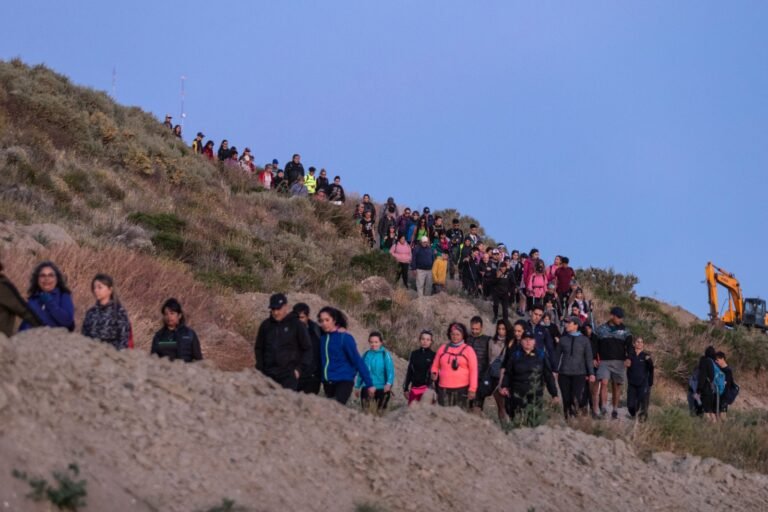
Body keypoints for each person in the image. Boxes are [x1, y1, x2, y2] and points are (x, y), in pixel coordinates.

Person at [254, 293, 312, 391]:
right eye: (273, 309)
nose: (276, 312)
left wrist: (299, 369)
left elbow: (307, 349)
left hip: (288, 375)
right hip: (268, 375)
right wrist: (260, 368)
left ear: (285, 307)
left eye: (278, 309)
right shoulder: (266, 326)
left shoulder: (296, 325)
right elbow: (259, 348)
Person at [317, 306, 374, 404]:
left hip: (344, 380)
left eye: (327, 320)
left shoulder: (345, 338)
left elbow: (358, 361)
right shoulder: (322, 338)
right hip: (328, 382)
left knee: (337, 406)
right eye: (321, 321)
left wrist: (369, 384)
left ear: (334, 320)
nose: (324, 323)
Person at [499, 330, 558, 422]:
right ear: (521, 341)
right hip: (517, 394)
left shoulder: (541, 355)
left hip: (535, 394)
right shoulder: (515, 355)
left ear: (534, 342)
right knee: (517, 420)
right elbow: (508, 373)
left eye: (530, 339)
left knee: (533, 420)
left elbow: (548, 376)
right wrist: (504, 386)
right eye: (525, 339)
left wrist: (554, 394)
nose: (528, 342)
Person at [593, 306, 633, 419]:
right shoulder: (600, 329)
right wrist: (594, 358)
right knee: (604, 382)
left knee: (616, 386)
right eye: (618, 317)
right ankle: (604, 407)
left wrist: (628, 358)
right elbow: (595, 345)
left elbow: (629, 346)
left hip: (619, 361)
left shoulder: (625, 331)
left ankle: (615, 409)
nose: (620, 320)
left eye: (621, 318)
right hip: (604, 361)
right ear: (612, 316)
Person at [553, 316, 595, 420]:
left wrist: (591, 373)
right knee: (566, 399)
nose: (566, 325)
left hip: (579, 374)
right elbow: (557, 356)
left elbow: (589, 358)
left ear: (576, 325)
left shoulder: (585, 340)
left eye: (568, 323)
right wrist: (554, 370)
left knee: (575, 398)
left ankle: (575, 419)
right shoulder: (563, 340)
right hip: (564, 374)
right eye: (566, 323)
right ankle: (568, 420)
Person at [431, 322, 478, 409]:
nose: (455, 336)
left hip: (462, 389)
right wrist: (434, 373)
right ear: (449, 334)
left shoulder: (469, 350)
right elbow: (435, 365)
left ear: (463, 335)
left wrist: (472, 389)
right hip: (443, 389)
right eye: (453, 334)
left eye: (458, 334)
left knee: (460, 417)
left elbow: (473, 371)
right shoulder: (442, 348)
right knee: (444, 415)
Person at [20, 261, 75, 332]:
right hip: (33, 340)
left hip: (55, 340)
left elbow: (67, 322)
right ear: (37, 279)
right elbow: (25, 325)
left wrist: (49, 302)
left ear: (57, 279)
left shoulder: (64, 296)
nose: (46, 279)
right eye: (42, 276)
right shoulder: (33, 299)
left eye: (51, 275)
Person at [81, 274, 131, 350]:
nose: (96, 290)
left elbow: (123, 339)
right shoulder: (91, 313)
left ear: (110, 290)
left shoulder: (119, 312)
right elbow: (84, 335)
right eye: (94, 288)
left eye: (99, 287)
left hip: (111, 356)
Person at [150, 298, 203, 362]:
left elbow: (198, 358)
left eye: (172, 313)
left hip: (187, 370)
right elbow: (153, 358)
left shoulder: (189, 334)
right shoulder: (159, 336)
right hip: (166, 370)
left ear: (179, 315)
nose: (169, 317)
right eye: (166, 314)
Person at [355, 331, 395, 412]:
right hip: (367, 387)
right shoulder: (366, 355)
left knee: (380, 413)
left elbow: (390, 371)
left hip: (382, 388)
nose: (373, 344)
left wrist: (388, 384)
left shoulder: (385, 355)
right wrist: (357, 386)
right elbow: (361, 372)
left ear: (381, 342)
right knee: (366, 413)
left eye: (376, 342)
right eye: (371, 342)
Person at [0, 260, 42, 337]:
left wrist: (42, 327)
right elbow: (23, 310)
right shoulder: (3, 286)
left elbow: (23, 310)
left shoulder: (3, 287)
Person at [293, 303, 323, 394]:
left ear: (308, 316)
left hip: (313, 378)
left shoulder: (316, 330)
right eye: (297, 317)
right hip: (295, 376)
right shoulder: (288, 331)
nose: (299, 320)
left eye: (302, 317)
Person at [466, 316, 492, 412]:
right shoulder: (466, 339)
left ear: (482, 327)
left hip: (481, 376)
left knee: (477, 404)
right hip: (467, 376)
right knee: (467, 403)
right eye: (472, 329)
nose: (474, 331)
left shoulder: (488, 340)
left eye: (477, 329)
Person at [488, 319, 511, 421]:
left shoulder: (511, 342)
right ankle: (502, 425)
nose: (501, 331)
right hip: (494, 375)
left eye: (503, 329)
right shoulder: (492, 342)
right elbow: (489, 357)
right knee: (500, 405)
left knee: (507, 405)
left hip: (506, 377)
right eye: (499, 329)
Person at [403, 330, 436, 404]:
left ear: (431, 342)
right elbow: (410, 371)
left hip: (428, 389)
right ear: (420, 340)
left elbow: (435, 374)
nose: (425, 341)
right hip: (414, 388)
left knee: (426, 413)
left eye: (428, 340)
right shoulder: (414, 354)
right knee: (412, 412)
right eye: (423, 339)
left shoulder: (434, 355)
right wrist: (406, 389)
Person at [626, 337, 654, 421]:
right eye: (638, 342)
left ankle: (642, 419)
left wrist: (650, 382)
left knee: (643, 402)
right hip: (632, 383)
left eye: (641, 342)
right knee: (630, 406)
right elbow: (626, 364)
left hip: (643, 383)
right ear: (634, 344)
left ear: (643, 345)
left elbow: (651, 369)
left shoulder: (646, 356)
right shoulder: (630, 355)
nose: (639, 343)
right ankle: (634, 414)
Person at [694, 345, 720, 422]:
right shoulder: (713, 362)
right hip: (712, 390)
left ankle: (707, 429)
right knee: (710, 411)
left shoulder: (705, 362)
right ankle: (716, 429)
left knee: (705, 412)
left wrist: (699, 389)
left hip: (705, 389)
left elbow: (702, 377)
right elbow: (712, 377)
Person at [715, 351, 737, 419]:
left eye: (717, 360)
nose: (716, 361)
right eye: (715, 360)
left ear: (722, 359)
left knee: (722, 416)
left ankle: (728, 428)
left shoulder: (728, 370)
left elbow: (727, 384)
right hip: (718, 395)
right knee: (717, 416)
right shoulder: (718, 369)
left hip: (724, 396)